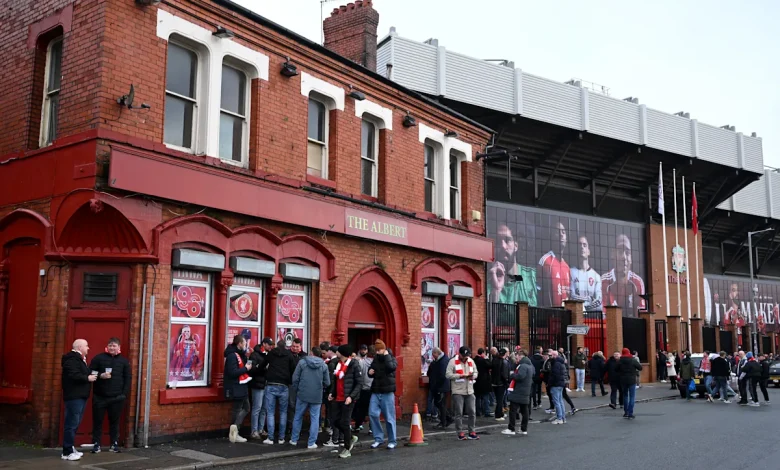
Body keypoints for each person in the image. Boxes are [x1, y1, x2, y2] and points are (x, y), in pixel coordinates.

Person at [89, 337, 131, 453]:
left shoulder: (124, 361)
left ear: (118, 347)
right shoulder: (98, 358)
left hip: (117, 397)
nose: (112, 348)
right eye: (110, 346)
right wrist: (100, 375)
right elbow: (90, 371)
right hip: (100, 396)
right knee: (97, 421)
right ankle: (96, 444)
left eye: (114, 346)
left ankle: (114, 444)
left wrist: (123, 394)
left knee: (114, 422)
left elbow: (127, 378)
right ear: (107, 347)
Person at [61, 339, 98, 461]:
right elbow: (73, 375)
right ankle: (67, 452)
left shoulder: (79, 360)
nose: (88, 348)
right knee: (71, 424)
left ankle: (70, 448)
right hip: (74, 397)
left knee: (75, 423)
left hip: (80, 396)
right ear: (80, 347)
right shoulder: (72, 360)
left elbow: (81, 373)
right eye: (86, 346)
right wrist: (87, 378)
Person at [290, 347, 330, 449]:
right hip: (316, 395)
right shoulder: (324, 365)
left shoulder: (302, 362)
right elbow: (327, 382)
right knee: (315, 419)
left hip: (302, 394)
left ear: (311, 353)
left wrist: (297, 389)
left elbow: (295, 378)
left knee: (298, 416)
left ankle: (294, 439)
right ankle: (311, 443)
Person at [488, 224, 538, 305]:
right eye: (498, 241)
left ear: (516, 246)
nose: (503, 246)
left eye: (507, 240)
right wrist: (496, 291)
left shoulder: (532, 277)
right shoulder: (488, 283)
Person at [328, 344, 362, 459]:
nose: (336, 352)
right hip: (338, 398)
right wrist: (332, 393)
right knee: (335, 421)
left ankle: (347, 449)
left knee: (345, 422)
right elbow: (336, 381)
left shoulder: (354, 365)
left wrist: (351, 397)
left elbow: (359, 383)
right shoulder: (338, 364)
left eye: (338, 351)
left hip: (348, 399)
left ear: (342, 353)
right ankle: (351, 437)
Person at [601, 234, 646, 317]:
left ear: (631, 259)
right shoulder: (604, 281)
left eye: (628, 253)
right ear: (613, 254)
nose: (624, 257)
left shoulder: (638, 282)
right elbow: (603, 316)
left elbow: (642, 315)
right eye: (620, 252)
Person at [264, 340, 296, 444]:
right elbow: (293, 369)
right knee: (283, 412)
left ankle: (270, 438)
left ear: (277, 345)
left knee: (270, 412)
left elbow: (263, 364)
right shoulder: (289, 355)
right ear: (285, 346)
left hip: (271, 384)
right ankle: (281, 438)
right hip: (284, 385)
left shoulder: (271, 354)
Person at [367, 339, 397, 449]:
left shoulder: (391, 358)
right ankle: (378, 438)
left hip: (387, 392)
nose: (377, 352)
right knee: (372, 414)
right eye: (376, 350)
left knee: (389, 418)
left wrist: (386, 356)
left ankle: (392, 440)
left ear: (383, 349)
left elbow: (391, 367)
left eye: (379, 350)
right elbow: (372, 370)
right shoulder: (376, 359)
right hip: (376, 390)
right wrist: (370, 372)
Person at [224, 334, 253, 443]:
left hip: (242, 386)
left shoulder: (240, 354)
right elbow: (232, 372)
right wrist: (246, 368)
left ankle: (235, 429)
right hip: (236, 386)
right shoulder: (232, 356)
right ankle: (234, 432)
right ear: (239, 343)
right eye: (244, 343)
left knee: (246, 408)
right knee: (237, 409)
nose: (245, 345)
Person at [446, 346, 479, 440]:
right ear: (459, 354)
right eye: (463, 355)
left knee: (472, 412)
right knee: (459, 413)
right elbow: (448, 375)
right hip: (458, 391)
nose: (465, 357)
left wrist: (473, 376)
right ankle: (460, 432)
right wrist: (460, 376)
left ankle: (472, 431)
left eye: (467, 355)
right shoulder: (452, 361)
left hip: (470, 390)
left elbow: (476, 372)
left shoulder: (471, 361)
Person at [538, 222, 571, 306]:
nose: (561, 234)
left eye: (563, 232)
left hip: (566, 313)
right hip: (551, 313)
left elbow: (568, 294)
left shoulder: (567, 267)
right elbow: (538, 291)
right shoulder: (545, 261)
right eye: (557, 231)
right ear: (552, 237)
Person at [502, 349, 534, 436]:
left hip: (518, 391)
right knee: (524, 411)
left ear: (520, 356)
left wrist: (512, 374)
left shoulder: (523, 366)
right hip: (525, 391)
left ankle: (511, 428)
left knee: (513, 410)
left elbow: (520, 376)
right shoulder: (530, 365)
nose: (516, 358)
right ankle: (524, 429)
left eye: (517, 357)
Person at [570, 236, 603, 312]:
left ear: (588, 251)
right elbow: (571, 298)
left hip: (591, 318)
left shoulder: (596, 277)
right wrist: (590, 299)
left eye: (584, 245)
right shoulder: (570, 272)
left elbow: (599, 304)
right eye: (579, 245)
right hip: (576, 317)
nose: (582, 247)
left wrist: (583, 308)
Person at [248, 337, 272, 439]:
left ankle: (261, 429)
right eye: (269, 344)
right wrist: (262, 368)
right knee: (257, 408)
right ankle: (254, 431)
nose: (271, 347)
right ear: (264, 344)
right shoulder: (254, 354)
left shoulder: (269, 355)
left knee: (264, 408)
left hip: (266, 384)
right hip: (257, 384)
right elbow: (250, 369)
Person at [285, 338, 307, 442]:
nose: (294, 348)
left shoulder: (304, 356)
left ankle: (298, 428)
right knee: (291, 405)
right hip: (291, 384)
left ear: (300, 346)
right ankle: (290, 427)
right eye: (293, 346)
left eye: (297, 347)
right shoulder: (288, 354)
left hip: (302, 385)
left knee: (300, 407)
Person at [428, 347, 452, 429]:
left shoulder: (443, 362)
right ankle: (447, 419)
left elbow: (442, 376)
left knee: (441, 404)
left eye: (433, 354)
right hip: (440, 386)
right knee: (439, 403)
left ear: (436, 353)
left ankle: (443, 422)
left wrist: (438, 387)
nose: (432, 356)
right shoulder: (439, 361)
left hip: (442, 387)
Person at [353, 345, 374, 433]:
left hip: (364, 388)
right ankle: (372, 428)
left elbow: (358, 373)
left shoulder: (361, 362)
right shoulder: (376, 363)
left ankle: (358, 425)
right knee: (373, 409)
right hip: (373, 389)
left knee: (361, 409)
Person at [616, 348, 642, 419]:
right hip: (632, 380)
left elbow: (616, 369)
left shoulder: (620, 361)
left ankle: (626, 412)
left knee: (625, 396)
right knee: (632, 396)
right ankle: (630, 413)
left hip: (623, 380)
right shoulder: (633, 360)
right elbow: (640, 368)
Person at [548, 350, 567, 424]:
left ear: (554, 355)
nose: (550, 357)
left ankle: (559, 418)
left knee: (557, 402)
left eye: (551, 355)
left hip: (555, 385)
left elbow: (555, 375)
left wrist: (550, 383)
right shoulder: (560, 363)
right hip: (561, 384)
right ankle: (563, 418)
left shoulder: (556, 364)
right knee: (560, 401)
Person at [491, 348, 510, 421]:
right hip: (501, 383)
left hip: (494, 383)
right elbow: (504, 375)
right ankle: (498, 415)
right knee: (500, 400)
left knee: (498, 399)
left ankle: (500, 413)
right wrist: (507, 382)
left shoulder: (494, 360)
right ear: (505, 354)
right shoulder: (504, 362)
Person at [473, 348, 493, 417]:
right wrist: (487, 359)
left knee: (477, 397)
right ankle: (486, 411)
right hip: (484, 381)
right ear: (482, 353)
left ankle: (478, 412)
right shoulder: (483, 360)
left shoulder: (474, 360)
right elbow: (490, 365)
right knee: (485, 397)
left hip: (476, 381)